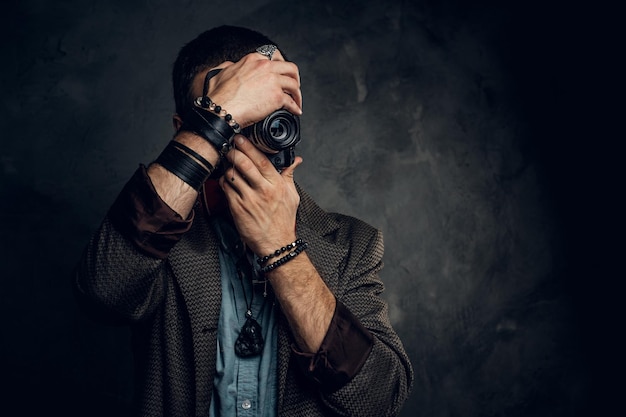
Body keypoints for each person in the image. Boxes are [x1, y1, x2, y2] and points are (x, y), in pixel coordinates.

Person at [74, 25, 414, 417]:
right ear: (182, 129)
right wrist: (215, 117)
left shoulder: (354, 243)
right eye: (232, 121)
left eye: (262, 117)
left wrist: (282, 250)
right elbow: (102, 293)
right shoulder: (159, 240)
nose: (247, 139)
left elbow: (377, 400)